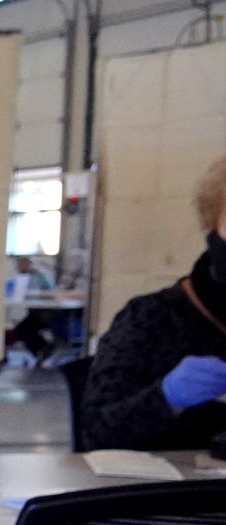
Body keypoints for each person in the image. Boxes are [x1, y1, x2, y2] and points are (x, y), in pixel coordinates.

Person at [79, 155, 226, 451]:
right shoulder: (151, 319)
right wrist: (167, 397)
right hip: (175, 492)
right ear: (212, 225)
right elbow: (96, 432)